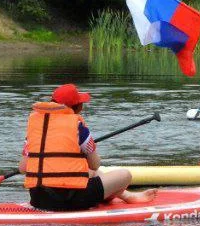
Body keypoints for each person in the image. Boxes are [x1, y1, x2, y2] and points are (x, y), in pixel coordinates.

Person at [20, 84, 154, 211]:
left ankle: (127, 195)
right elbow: (95, 164)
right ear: (78, 107)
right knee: (125, 175)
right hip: (70, 200)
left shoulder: (35, 128)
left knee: (90, 173)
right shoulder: (79, 127)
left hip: (38, 199)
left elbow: (23, 168)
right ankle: (123, 195)